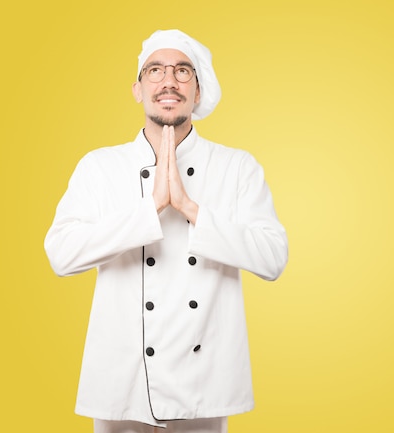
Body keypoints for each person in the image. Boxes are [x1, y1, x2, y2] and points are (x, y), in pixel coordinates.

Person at [44, 29, 288, 433]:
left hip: (202, 387)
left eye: (182, 71)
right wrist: (151, 208)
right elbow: (61, 255)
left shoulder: (237, 167)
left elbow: (273, 257)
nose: (168, 80)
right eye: (154, 70)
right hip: (123, 389)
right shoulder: (99, 167)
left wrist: (192, 210)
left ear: (197, 91)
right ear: (138, 90)